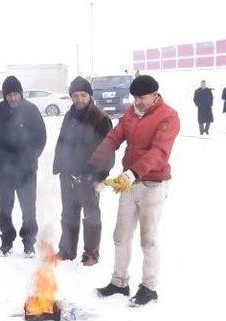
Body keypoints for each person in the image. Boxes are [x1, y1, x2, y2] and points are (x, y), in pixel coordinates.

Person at [86, 75, 179, 307]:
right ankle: (119, 282)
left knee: (148, 239)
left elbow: (159, 152)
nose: (137, 102)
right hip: (130, 183)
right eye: (135, 97)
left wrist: (133, 173)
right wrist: (93, 163)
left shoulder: (168, 116)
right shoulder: (130, 114)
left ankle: (149, 287)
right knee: (120, 236)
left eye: (142, 97)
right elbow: (113, 139)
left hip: (153, 185)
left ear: (155, 94)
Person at [0, 76, 46, 257]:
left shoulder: (31, 110)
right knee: (4, 208)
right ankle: (7, 241)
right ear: (4, 96)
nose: (12, 98)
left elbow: (41, 137)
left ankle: (28, 243)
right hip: (4, 170)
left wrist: (31, 157)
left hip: (27, 170)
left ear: (21, 93)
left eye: (15, 94)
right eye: (9, 95)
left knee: (28, 208)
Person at [53, 76, 113, 266]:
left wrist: (100, 175)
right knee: (68, 214)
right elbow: (62, 142)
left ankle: (91, 254)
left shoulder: (100, 118)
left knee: (91, 216)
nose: (79, 99)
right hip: (68, 174)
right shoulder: (69, 115)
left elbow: (108, 149)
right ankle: (67, 250)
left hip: (89, 176)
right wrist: (60, 166)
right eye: (75, 95)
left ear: (90, 95)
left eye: (83, 95)